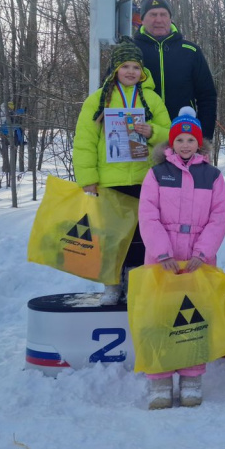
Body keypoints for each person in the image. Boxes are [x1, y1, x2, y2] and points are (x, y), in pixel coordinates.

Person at [139, 107, 225, 409]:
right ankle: (160, 380)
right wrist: (161, 251)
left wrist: (203, 253)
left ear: (200, 144)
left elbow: (220, 216)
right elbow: (148, 214)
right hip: (161, 259)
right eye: (180, 140)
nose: (186, 145)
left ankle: (192, 377)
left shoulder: (212, 176)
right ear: (171, 144)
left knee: (194, 318)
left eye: (191, 140)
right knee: (160, 317)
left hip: (197, 260)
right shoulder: (156, 174)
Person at [72, 40, 170, 305]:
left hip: (144, 180)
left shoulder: (151, 98)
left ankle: (135, 283)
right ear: (115, 69)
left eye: (135, 67)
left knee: (140, 236)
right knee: (112, 236)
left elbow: (171, 134)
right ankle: (112, 285)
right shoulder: (97, 99)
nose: (130, 71)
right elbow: (84, 141)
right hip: (110, 182)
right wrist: (88, 178)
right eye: (125, 66)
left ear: (142, 71)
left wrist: (154, 132)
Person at [131, 0, 218, 140]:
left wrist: (204, 137)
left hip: (183, 137)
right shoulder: (130, 49)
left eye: (163, 14)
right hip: (139, 136)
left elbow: (207, 96)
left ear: (170, 19)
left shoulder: (190, 51)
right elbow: (110, 90)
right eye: (153, 14)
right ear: (143, 19)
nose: (159, 19)